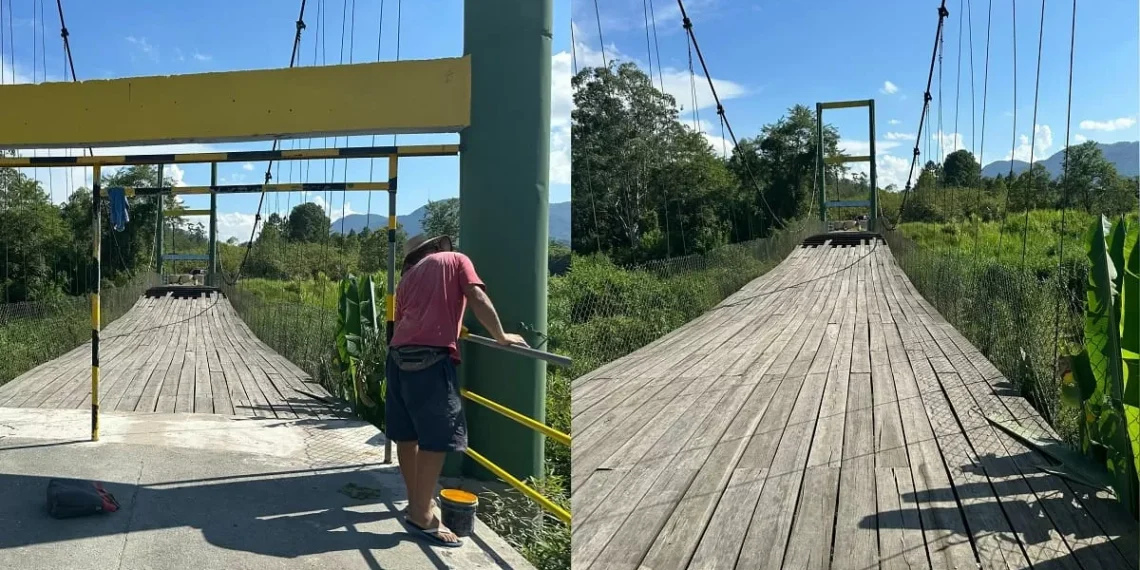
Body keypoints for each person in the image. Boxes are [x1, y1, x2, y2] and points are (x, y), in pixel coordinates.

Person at [379, 233, 527, 548]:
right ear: (438, 248)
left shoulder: (406, 281)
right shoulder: (457, 260)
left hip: (397, 359)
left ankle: (417, 503)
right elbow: (476, 296)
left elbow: (405, 319)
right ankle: (421, 513)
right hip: (430, 361)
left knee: (407, 437)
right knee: (436, 439)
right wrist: (500, 335)